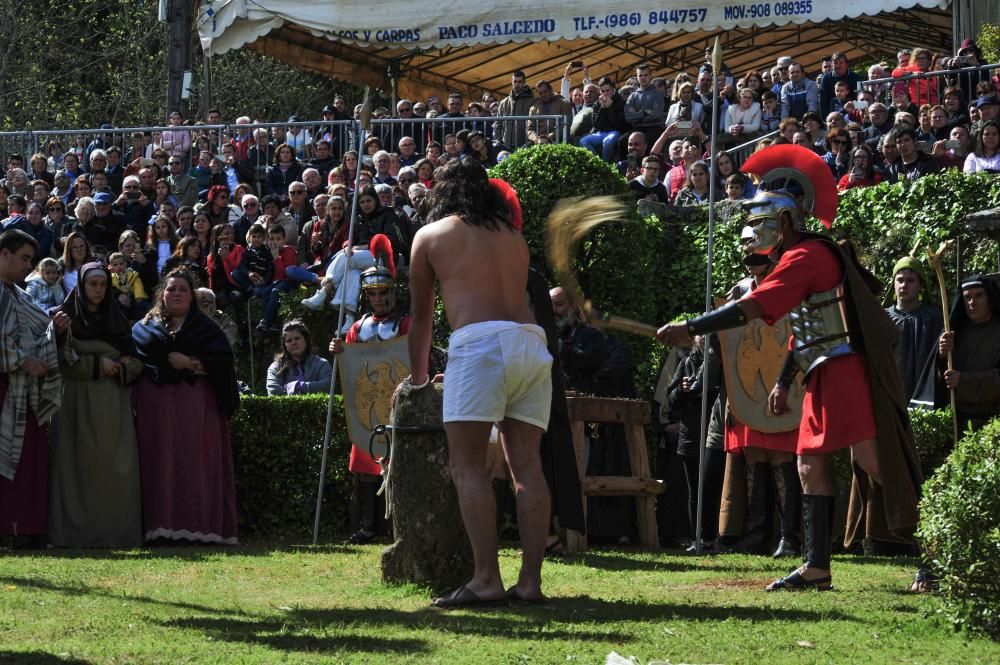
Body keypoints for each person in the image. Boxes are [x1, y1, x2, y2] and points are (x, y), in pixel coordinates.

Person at [657, 145, 922, 591]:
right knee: (808, 465)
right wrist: (783, 382)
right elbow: (806, 333)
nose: (754, 231)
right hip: (822, 371)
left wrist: (691, 326)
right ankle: (817, 568)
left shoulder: (807, 256)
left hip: (846, 372)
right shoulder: (797, 258)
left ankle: (936, 552)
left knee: (878, 464)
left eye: (760, 222)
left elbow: (754, 307)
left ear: (784, 222)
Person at [407, 159, 552, 606]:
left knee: (468, 467)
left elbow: (420, 317)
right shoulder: (513, 238)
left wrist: (416, 382)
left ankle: (486, 578)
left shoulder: (430, 237)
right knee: (526, 467)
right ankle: (530, 582)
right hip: (531, 344)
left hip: (481, 344)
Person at [131, 269, 239, 544]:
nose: (176, 293)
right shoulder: (144, 327)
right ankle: (159, 528)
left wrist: (190, 364)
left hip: (197, 410)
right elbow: (139, 360)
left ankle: (199, 528)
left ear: (192, 297)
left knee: (195, 465)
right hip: (156, 411)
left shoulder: (207, 329)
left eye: (182, 289)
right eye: (171, 289)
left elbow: (223, 363)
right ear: (161, 295)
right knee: (160, 464)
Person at [48, 263, 142, 547]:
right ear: (81, 286)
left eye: (103, 285)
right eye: (93, 285)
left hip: (112, 404)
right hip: (74, 401)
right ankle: (72, 534)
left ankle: (116, 533)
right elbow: (59, 361)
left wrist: (126, 367)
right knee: (74, 468)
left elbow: (137, 360)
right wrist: (99, 365)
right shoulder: (63, 320)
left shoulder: (117, 318)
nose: (98, 290)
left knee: (114, 467)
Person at [721, 228, 802, 557]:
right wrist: (731, 394)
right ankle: (757, 533)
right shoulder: (739, 292)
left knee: (782, 458)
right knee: (754, 458)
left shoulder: (789, 285)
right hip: (750, 385)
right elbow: (729, 347)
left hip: (785, 382)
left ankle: (791, 536)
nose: (751, 254)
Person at [330, 235, 411, 544]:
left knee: (397, 464)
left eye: (382, 293)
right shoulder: (358, 326)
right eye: (372, 293)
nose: (378, 298)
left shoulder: (404, 324)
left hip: (397, 400)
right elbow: (350, 364)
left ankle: (396, 525)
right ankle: (367, 525)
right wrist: (338, 350)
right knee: (365, 464)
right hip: (368, 405)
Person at [0, 230, 69, 544]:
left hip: (21, 392)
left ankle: (22, 528)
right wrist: (21, 361)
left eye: (31, 259)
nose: (29, 266)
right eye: (24, 258)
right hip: (4, 388)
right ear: (4, 254)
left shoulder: (19, 294)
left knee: (28, 460)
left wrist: (58, 329)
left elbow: (43, 329)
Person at [935, 275, 1000, 432]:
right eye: (967, 297)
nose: (972, 303)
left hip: (994, 424)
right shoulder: (953, 332)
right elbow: (937, 379)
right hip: (957, 424)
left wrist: (963, 381)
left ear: (990, 297)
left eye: (979, 295)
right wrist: (941, 355)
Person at [884, 257, 943, 406]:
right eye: (900, 280)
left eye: (910, 281)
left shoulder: (934, 318)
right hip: (891, 397)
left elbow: (942, 359)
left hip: (925, 398)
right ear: (894, 284)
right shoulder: (882, 318)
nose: (904, 285)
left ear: (921, 285)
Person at [266, 320, 332, 395]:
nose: (293, 342)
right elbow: (273, 392)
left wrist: (298, 386)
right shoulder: (276, 367)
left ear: (306, 340)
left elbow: (328, 386)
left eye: (297, 338)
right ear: (285, 345)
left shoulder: (321, 364)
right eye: (289, 340)